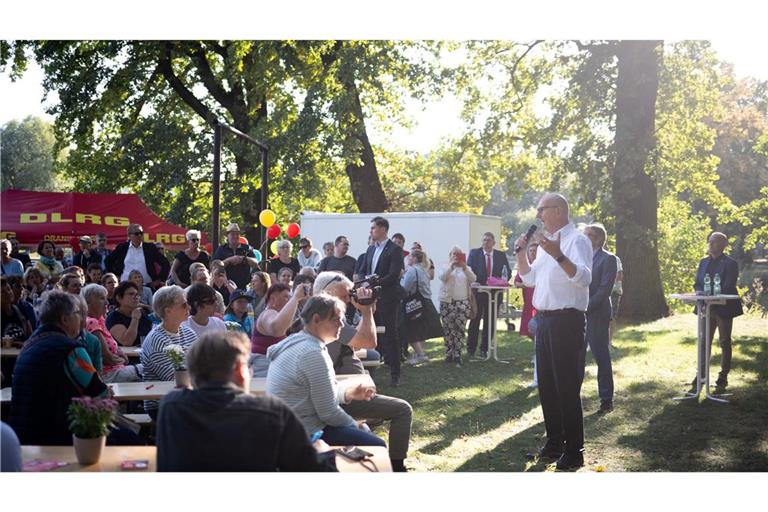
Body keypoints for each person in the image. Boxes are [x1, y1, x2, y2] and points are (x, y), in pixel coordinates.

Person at [156, 331, 336, 471]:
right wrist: (324, 454)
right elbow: (312, 472)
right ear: (240, 370)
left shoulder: (172, 407)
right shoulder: (273, 412)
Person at [515, 192, 592, 470]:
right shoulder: (546, 244)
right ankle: (554, 442)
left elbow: (584, 278)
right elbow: (529, 278)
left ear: (558, 210)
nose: (538, 215)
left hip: (567, 322)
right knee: (547, 385)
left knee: (567, 388)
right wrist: (522, 253)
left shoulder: (576, 240)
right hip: (545, 321)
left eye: (541, 209)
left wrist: (558, 255)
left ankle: (575, 451)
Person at [314, 272, 413, 471]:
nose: (348, 301)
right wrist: (366, 312)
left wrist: (367, 311)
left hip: (345, 391)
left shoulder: (320, 318)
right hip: (343, 398)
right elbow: (369, 341)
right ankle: (396, 466)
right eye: (343, 297)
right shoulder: (328, 319)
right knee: (403, 410)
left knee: (369, 428)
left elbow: (361, 340)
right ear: (327, 294)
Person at [266, 294, 387, 450]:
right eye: (336, 319)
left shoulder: (296, 342)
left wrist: (348, 392)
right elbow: (328, 413)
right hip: (302, 433)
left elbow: (315, 393)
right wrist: (355, 425)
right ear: (316, 319)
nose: (342, 324)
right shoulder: (312, 353)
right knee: (378, 447)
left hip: (287, 428)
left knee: (365, 437)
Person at [8, 290, 109, 445]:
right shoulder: (70, 350)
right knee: (128, 438)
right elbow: (100, 393)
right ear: (65, 319)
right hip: (59, 436)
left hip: (22, 437)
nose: (81, 318)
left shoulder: (28, 345)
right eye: (77, 313)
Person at [693, 231, 743, 389]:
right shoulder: (703, 262)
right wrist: (701, 296)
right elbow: (698, 283)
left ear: (723, 245)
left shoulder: (730, 263)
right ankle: (701, 375)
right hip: (705, 308)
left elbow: (728, 286)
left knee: (724, 341)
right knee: (703, 342)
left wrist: (712, 297)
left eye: (714, 241)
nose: (710, 244)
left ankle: (723, 377)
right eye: (710, 241)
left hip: (724, 308)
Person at [140, 285, 198, 420]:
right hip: (163, 404)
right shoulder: (156, 340)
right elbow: (175, 379)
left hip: (187, 398)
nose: (189, 307)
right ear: (168, 311)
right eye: (184, 304)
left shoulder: (188, 332)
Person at [360, 216, 405, 387]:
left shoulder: (394, 250)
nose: (371, 231)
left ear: (383, 229)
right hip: (370, 298)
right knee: (370, 333)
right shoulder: (371, 249)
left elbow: (393, 275)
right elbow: (366, 270)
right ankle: (369, 369)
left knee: (390, 334)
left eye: (373, 228)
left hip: (388, 298)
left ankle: (395, 373)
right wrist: (364, 281)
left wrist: (373, 283)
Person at [583, 223, 618, 414]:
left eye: (588, 235)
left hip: (597, 314)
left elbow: (604, 290)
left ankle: (606, 399)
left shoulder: (608, 259)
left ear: (597, 239)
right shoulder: (581, 258)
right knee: (577, 357)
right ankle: (572, 397)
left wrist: (584, 306)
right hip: (578, 314)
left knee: (601, 356)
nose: (584, 238)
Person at [82, 283, 142, 383]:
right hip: (108, 375)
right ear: (88, 302)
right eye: (101, 299)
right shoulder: (91, 322)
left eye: (106, 298)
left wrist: (120, 354)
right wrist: (135, 318)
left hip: (117, 369)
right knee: (151, 367)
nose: (106, 302)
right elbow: (107, 358)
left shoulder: (100, 319)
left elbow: (114, 347)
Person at [466, 232, 513, 358]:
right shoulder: (474, 253)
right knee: (475, 320)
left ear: (494, 243)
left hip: (494, 293)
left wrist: (502, 280)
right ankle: (471, 349)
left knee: (490, 321)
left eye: (488, 240)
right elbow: (468, 269)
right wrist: (474, 281)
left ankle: (484, 349)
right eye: (484, 240)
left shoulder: (500, 255)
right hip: (478, 292)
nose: (486, 242)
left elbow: (507, 272)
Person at [250, 283, 309, 377]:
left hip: (273, 368)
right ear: (273, 299)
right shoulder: (267, 313)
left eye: (290, 297)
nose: (289, 301)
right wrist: (295, 298)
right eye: (286, 297)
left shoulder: (281, 317)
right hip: (264, 370)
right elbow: (277, 329)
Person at [400, 249, 443, 365]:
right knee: (420, 329)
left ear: (414, 258)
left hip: (415, 304)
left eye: (409, 257)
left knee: (410, 329)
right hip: (425, 302)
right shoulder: (424, 270)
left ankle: (420, 355)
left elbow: (405, 288)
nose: (407, 258)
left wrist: (400, 278)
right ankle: (420, 353)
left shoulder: (412, 270)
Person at [438, 246, 477, 366]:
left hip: (463, 302)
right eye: (454, 254)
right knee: (448, 329)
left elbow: (473, 279)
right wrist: (451, 266)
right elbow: (442, 277)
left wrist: (464, 267)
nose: (456, 257)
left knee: (459, 329)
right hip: (447, 302)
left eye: (458, 254)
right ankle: (449, 352)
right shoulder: (445, 266)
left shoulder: (466, 268)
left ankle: (458, 353)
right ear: (450, 256)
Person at [105, 224, 170, 290]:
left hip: (147, 286)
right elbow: (108, 261)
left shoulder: (150, 247)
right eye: (136, 233)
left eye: (141, 233)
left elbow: (165, 263)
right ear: (129, 235)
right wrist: (115, 275)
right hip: (125, 285)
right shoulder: (122, 247)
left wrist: (159, 280)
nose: (139, 235)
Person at [514, 242, 539, 387]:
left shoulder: (541, 265)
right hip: (528, 303)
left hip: (540, 305)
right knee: (529, 330)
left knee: (536, 331)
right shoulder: (527, 267)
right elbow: (517, 282)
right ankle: (537, 354)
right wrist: (527, 284)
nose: (533, 253)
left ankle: (537, 357)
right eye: (531, 251)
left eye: (535, 251)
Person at [212, 223, 259, 290]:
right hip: (225, 287)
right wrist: (229, 260)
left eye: (237, 234)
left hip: (243, 288)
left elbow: (256, 263)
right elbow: (214, 266)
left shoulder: (246, 248)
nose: (235, 236)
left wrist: (243, 259)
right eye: (232, 234)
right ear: (227, 236)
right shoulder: (221, 249)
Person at [106, 281, 153, 347]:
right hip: (126, 356)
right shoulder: (113, 317)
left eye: (137, 295)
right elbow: (127, 341)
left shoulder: (143, 313)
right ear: (119, 298)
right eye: (131, 294)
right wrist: (135, 318)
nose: (136, 297)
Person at [1, 277, 33, 343]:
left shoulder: (20, 311)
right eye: (2, 292)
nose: (8, 293)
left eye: (8, 289)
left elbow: (30, 337)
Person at [609, 255, 623, 344]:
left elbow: (619, 275)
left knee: (611, 317)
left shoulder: (614, 259)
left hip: (613, 292)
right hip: (600, 291)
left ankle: (609, 341)